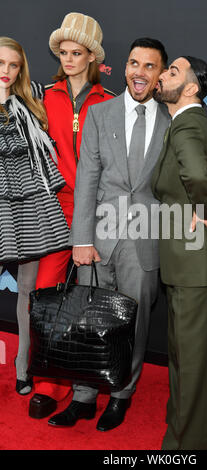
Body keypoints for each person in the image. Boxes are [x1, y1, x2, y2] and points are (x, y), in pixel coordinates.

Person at [47, 37, 170, 431]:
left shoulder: (173, 121)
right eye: (134, 63)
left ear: (160, 75)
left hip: (145, 238)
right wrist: (81, 240)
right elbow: (87, 180)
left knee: (133, 323)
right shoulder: (101, 114)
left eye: (149, 66)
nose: (139, 72)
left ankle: (120, 396)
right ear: (126, 66)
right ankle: (83, 396)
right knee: (88, 318)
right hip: (98, 237)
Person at [29, 12, 115, 420]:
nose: (68, 58)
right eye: (62, 52)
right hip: (53, 209)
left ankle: (80, 384)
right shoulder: (43, 97)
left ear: (91, 57)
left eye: (76, 52)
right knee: (45, 294)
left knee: (86, 301)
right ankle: (47, 383)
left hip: (95, 213)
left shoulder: (110, 102)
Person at [151, 56, 207, 450]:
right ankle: (181, 441)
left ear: (191, 88)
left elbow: (200, 178)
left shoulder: (186, 123)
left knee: (191, 367)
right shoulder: (191, 123)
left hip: (194, 266)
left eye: (171, 72)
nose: (161, 75)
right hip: (191, 266)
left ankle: (184, 448)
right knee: (187, 365)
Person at [0, 37, 69, 395]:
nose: (6, 72)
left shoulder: (29, 104)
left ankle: (23, 364)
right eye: (0, 64)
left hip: (27, 207)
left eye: (13, 65)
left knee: (27, 290)